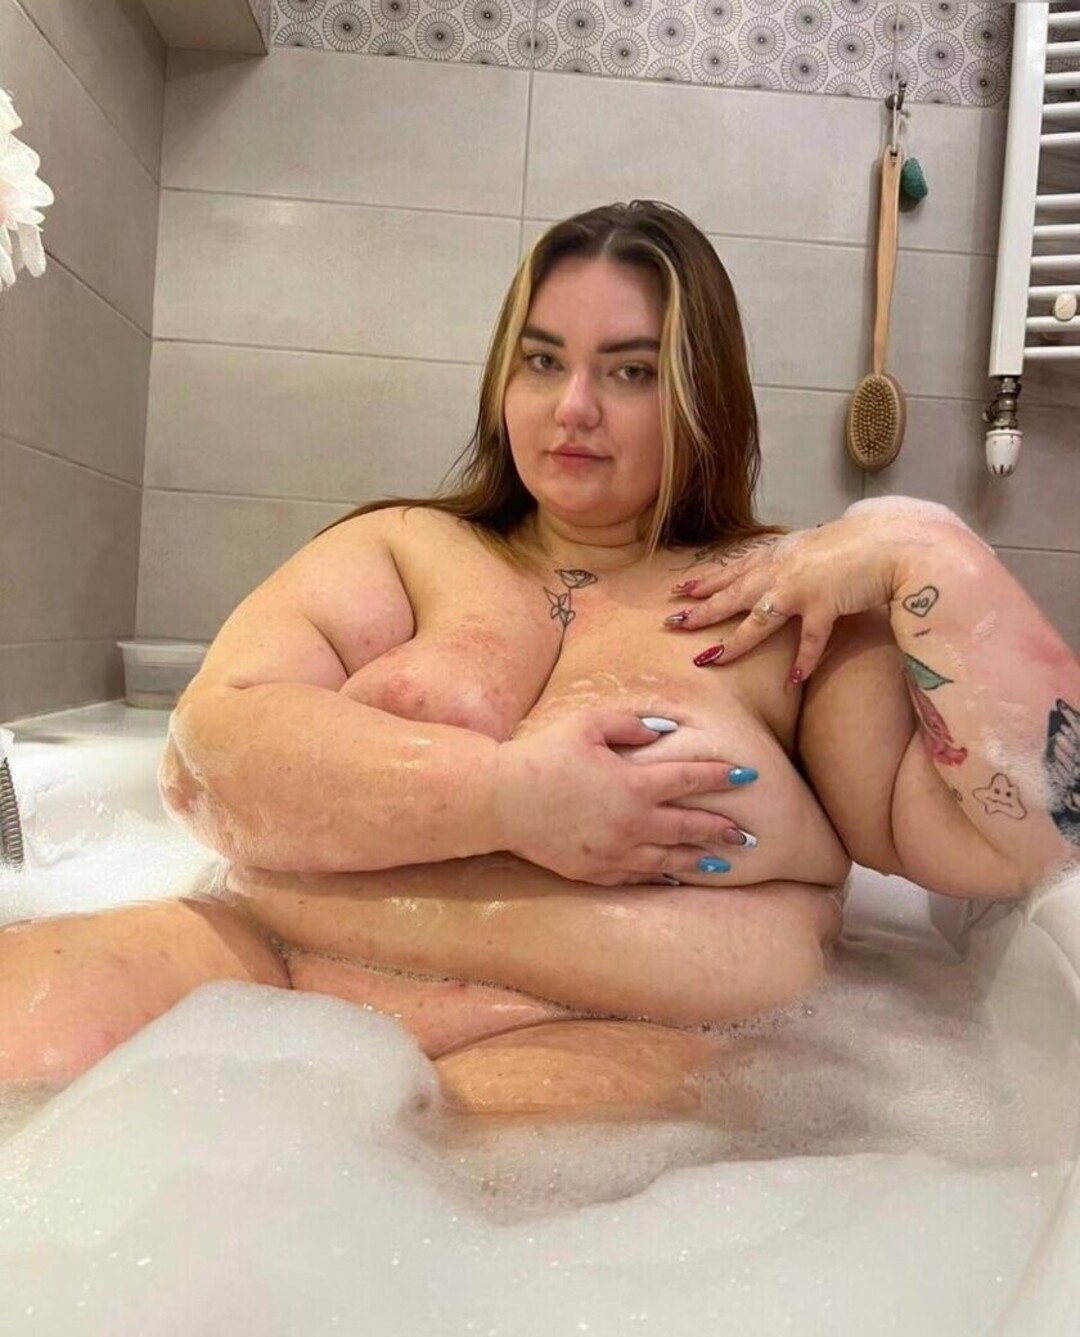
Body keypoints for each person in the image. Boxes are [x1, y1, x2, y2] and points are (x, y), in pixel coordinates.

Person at [2, 202, 1077, 1118]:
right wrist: (507, 797)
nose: (573, 408)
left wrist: (922, 548)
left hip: (609, 1038)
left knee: (419, 1219)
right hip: (257, 964)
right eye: (543, 360)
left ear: (703, 393)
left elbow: (1023, 837)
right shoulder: (405, 548)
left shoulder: (780, 609)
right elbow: (208, 757)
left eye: (630, 371)